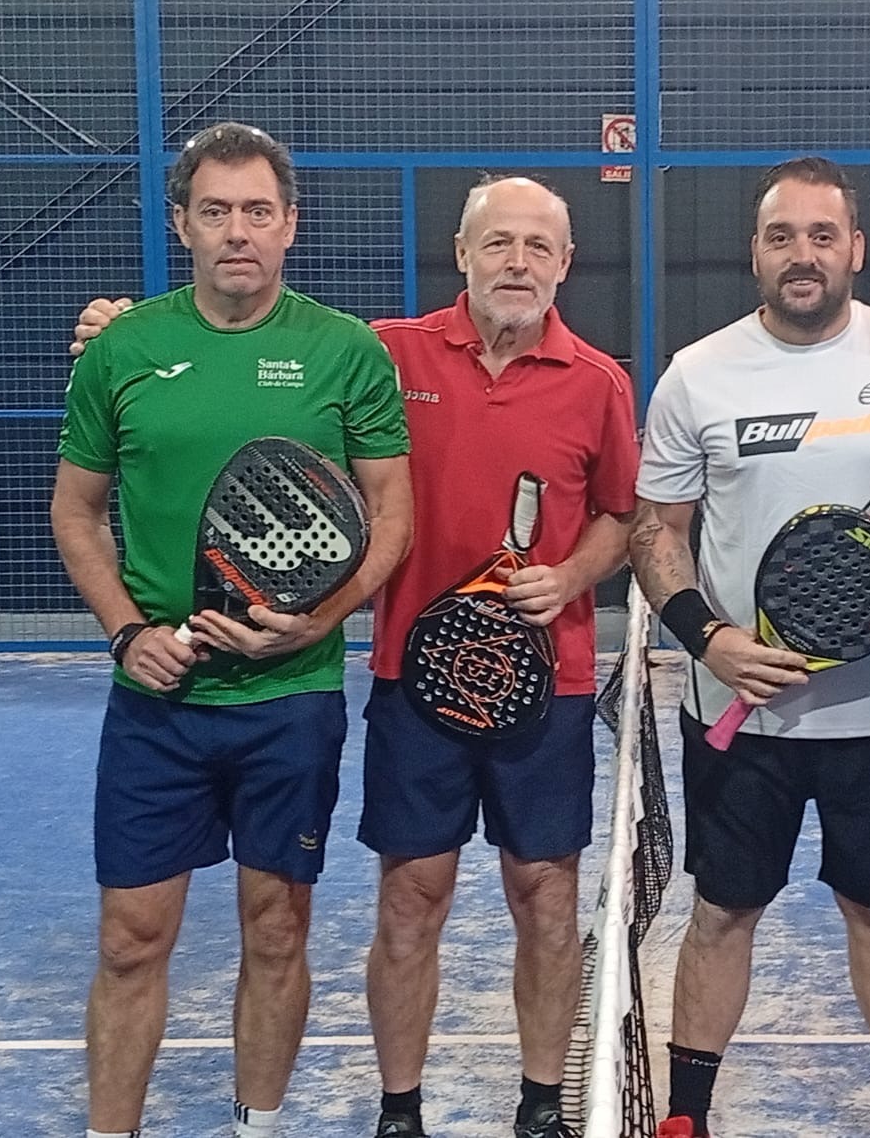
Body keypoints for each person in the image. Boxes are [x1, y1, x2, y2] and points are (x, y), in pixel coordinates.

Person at [71, 174, 639, 1138]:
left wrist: (574, 574)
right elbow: (256, 351)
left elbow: (623, 517)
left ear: (565, 263)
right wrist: (122, 329)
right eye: (498, 243)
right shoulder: (382, 352)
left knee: (546, 898)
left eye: (538, 247)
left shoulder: (598, 383)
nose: (517, 263)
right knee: (412, 898)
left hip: (548, 683)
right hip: (411, 682)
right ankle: (399, 1109)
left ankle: (542, 1104)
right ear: (461, 255)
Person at [51, 121, 414, 1138]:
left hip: (288, 702)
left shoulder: (346, 351)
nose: (238, 232)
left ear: (290, 224)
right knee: (130, 937)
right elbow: (76, 510)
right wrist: (126, 633)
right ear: (182, 224)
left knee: (276, 927)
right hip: (155, 702)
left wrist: (314, 625)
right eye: (215, 211)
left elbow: (392, 516)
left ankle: (257, 1127)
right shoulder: (122, 349)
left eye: (258, 211)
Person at [628, 157, 870, 1138]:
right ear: (756, 253)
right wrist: (712, 641)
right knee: (722, 911)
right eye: (782, 236)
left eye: (822, 235)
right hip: (740, 715)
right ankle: (687, 1118)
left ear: (855, 247)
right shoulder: (699, 373)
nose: (802, 254)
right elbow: (655, 531)